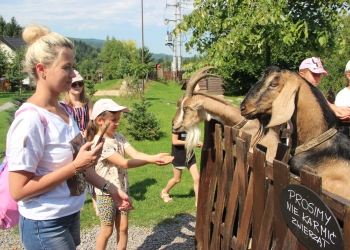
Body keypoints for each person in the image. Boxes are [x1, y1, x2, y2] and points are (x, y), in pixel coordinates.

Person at [6, 23, 133, 250]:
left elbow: (83, 167)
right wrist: (74, 167)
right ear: (41, 69)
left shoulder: (64, 112)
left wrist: (111, 189)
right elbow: (19, 190)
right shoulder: (30, 121)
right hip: (45, 224)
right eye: (66, 67)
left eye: (73, 66)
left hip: (70, 215)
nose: (73, 75)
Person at [85, 98, 174, 250]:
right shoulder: (99, 143)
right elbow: (124, 163)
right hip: (106, 194)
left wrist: (154, 157)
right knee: (107, 231)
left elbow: (136, 153)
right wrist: (151, 161)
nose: (117, 123)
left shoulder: (119, 137)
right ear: (100, 121)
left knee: (123, 228)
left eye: (118, 119)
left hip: (123, 191)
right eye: (113, 120)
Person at [62, 70, 98, 215]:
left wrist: (88, 131)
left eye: (80, 83)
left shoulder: (86, 102)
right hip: (74, 142)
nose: (77, 86)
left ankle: (95, 200)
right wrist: (77, 133)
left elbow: (92, 120)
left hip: (87, 139)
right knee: (76, 171)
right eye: (74, 84)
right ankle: (78, 198)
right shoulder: (65, 104)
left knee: (90, 169)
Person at [160, 131, 203, 207]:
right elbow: (175, 141)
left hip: (190, 155)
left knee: (197, 178)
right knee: (177, 179)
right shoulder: (177, 126)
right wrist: (192, 143)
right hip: (178, 156)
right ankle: (164, 191)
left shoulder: (191, 126)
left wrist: (197, 142)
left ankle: (198, 202)